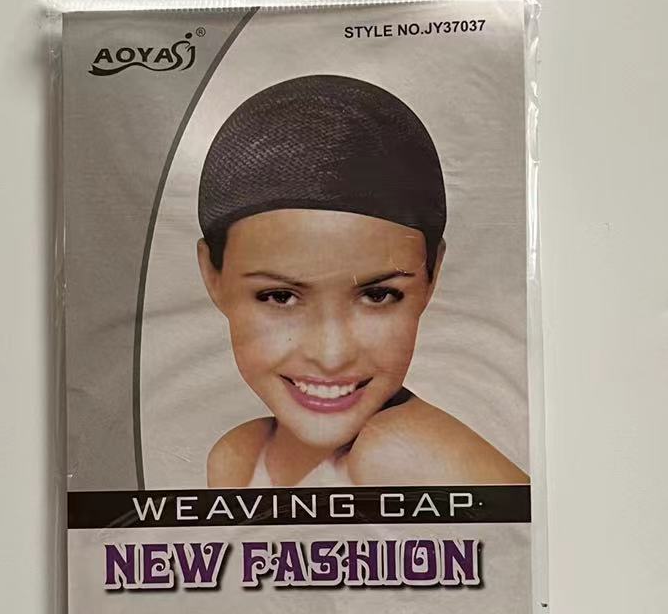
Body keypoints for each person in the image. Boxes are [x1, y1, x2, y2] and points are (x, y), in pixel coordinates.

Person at [196, 74, 527, 489]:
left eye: (378, 295)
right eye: (280, 297)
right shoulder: (238, 456)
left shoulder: (398, 453)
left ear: (432, 274)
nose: (331, 356)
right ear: (212, 275)